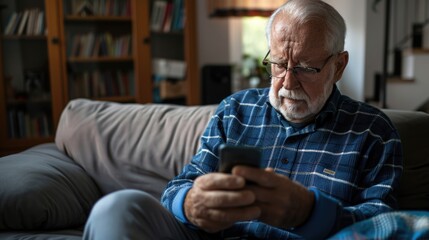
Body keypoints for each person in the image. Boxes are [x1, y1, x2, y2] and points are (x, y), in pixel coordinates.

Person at [83, 0, 403, 239]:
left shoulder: (373, 131)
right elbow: (181, 184)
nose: (288, 83)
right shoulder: (235, 110)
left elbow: (385, 223)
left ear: (339, 65)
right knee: (118, 208)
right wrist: (190, 203)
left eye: (306, 68)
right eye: (278, 63)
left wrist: (309, 213)